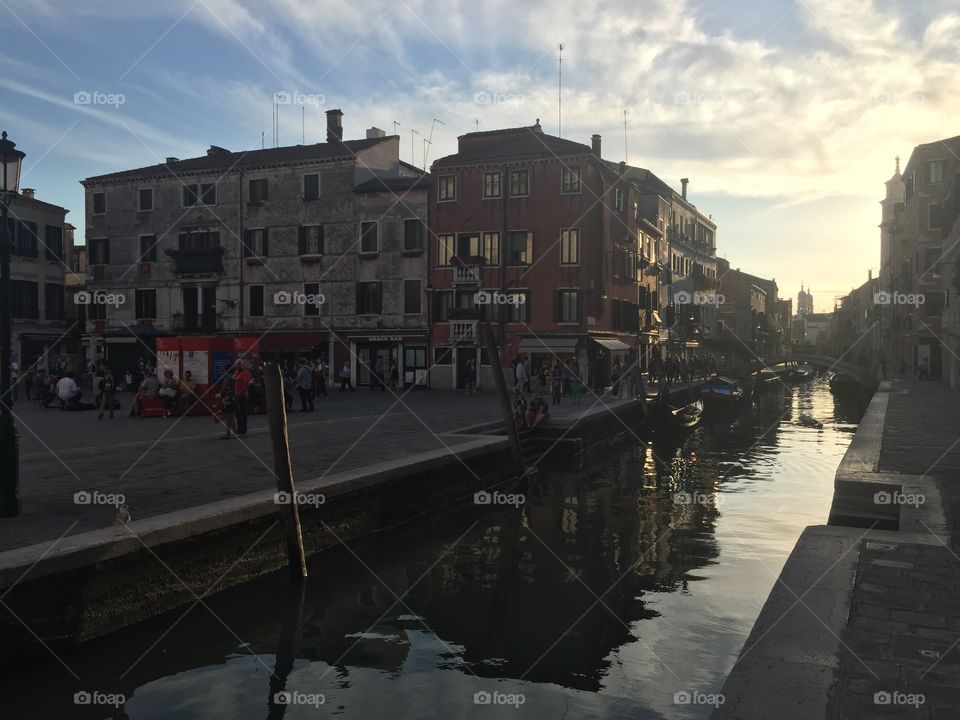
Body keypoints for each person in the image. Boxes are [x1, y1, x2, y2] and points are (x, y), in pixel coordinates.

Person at [233, 361, 251, 435]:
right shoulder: (237, 372)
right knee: (237, 413)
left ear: (241, 365)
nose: (237, 366)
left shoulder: (245, 373)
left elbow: (246, 384)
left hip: (242, 396)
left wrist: (240, 393)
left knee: (242, 413)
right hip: (236, 394)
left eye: (238, 364)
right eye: (236, 365)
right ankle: (239, 428)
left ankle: (242, 429)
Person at [218, 373, 237, 439]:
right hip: (232, 400)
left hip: (226, 401)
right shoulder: (234, 379)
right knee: (232, 418)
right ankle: (234, 434)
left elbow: (223, 391)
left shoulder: (227, 379)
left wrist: (219, 401)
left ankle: (228, 434)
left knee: (227, 418)